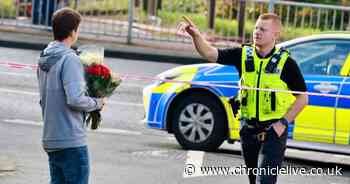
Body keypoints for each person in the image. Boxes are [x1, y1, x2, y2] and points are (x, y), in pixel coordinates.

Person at [180, 13, 309, 184]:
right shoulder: (242, 54)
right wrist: (196, 36)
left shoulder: (287, 63)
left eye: (263, 29)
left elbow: (303, 99)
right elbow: (210, 54)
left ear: (275, 35)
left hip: (273, 131)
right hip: (248, 129)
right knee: (253, 180)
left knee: (265, 181)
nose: (257, 32)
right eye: (256, 27)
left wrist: (282, 124)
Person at [37, 8, 105, 184]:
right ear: (72, 32)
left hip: (51, 138)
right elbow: (75, 99)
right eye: (78, 29)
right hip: (70, 141)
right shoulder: (69, 59)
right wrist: (97, 103)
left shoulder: (44, 57)